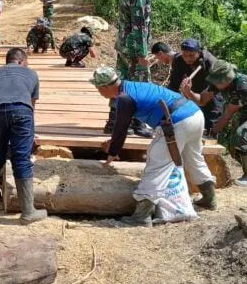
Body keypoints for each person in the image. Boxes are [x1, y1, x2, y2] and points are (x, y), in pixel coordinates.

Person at [90, 66, 217, 226]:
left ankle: (141, 216)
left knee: (156, 165)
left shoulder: (124, 97)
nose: (99, 92)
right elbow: (121, 127)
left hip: (177, 122)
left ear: (105, 87)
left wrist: (113, 151)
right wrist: (114, 144)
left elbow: (121, 127)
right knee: (193, 157)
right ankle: (209, 198)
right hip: (195, 114)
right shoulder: (131, 86)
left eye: (98, 88)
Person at [181, 60, 247, 187]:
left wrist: (213, 133)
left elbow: (227, 114)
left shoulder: (242, 87)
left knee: (243, 135)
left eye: (219, 81)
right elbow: (202, 100)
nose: (216, 84)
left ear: (227, 79)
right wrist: (188, 92)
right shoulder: (217, 83)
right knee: (233, 146)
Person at [0, 48, 47, 224]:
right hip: (22, 112)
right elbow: (31, 107)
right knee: (21, 159)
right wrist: (30, 133)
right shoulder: (31, 74)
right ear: (21, 61)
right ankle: (28, 212)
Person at [106, 0, 167, 137]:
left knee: (122, 82)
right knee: (141, 86)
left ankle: (113, 121)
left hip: (124, 44)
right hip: (133, 48)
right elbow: (139, 26)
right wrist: (142, 54)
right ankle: (138, 123)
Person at [154, 39, 225, 135]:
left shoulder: (211, 62)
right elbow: (173, 86)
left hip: (212, 92)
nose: (188, 59)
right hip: (192, 93)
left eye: (191, 55)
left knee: (211, 125)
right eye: (185, 55)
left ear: (198, 52)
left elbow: (219, 85)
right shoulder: (178, 60)